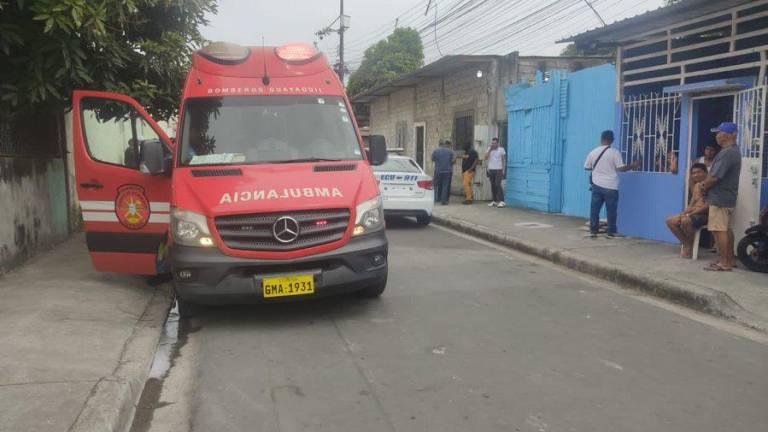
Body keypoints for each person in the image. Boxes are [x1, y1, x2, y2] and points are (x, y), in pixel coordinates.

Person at [700, 122, 741, 271]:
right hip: (726, 196)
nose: (717, 136)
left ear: (729, 135)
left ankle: (724, 263)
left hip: (720, 197)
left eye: (719, 133)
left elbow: (715, 177)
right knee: (726, 229)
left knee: (718, 230)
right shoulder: (733, 151)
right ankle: (729, 259)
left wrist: (702, 186)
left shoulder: (727, 152)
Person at [584, 130, 640, 238]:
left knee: (595, 210)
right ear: (612, 140)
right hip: (611, 186)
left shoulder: (593, 152)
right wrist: (633, 165)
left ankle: (593, 231)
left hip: (596, 185)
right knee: (611, 211)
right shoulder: (614, 152)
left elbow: (586, 167)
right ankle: (611, 232)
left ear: (601, 139)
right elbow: (621, 168)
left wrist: (599, 170)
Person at [665, 163, 709, 258]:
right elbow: (691, 205)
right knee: (670, 220)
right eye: (693, 173)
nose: (696, 175)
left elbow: (707, 207)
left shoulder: (710, 185)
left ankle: (688, 247)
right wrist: (683, 213)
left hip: (706, 215)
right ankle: (686, 244)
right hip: (695, 213)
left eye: (699, 172)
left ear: (705, 172)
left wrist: (690, 214)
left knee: (685, 221)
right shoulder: (697, 186)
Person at [431, 140, 455, 205]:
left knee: (435, 185)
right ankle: (443, 201)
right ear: (444, 144)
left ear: (439, 144)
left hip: (438, 170)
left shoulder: (435, 151)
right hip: (447, 171)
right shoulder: (450, 151)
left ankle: (435, 199)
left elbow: (432, 159)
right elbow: (453, 160)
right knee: (445, 185)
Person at [484, 137, 506, 207]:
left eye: (494, 143)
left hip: (498, 169)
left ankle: (502, 201)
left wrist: (503, 170)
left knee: (498, 184)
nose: (493, 144)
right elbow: (485, 158)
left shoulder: (501, 149)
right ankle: (494, 200)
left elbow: (503, 160)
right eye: (492, 143)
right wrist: (490, 150)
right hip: (491, 169)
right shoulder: (489, 149)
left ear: (498, 143)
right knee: (493, 185)